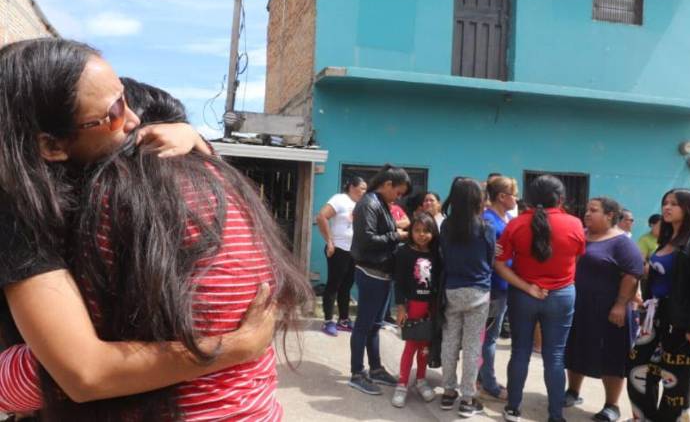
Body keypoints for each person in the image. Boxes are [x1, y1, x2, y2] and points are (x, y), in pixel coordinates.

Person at [0, 40, 309, 419]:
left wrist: (190, 136)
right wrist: (233, 345)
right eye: (113, 112)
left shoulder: (122, 211)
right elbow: (83, 371)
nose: (134, 124)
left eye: (126, 99)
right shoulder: (24, 216)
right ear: (51, 146)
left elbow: (39, 380)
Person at [494, 174, 585, 422]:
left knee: (520, 351)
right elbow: (575, 258)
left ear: (530, 198)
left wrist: (528, 286)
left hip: (524, 295)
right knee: (555, 356)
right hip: (562, 295)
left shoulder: (515, 225)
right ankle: (556, 416)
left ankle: (513, 408)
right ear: (561, 198)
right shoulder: (575, 224)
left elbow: (500, 264)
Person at [626, 189, 690, 422]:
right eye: (665, 203)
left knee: (674, 381)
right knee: (639, 371)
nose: (667, 207)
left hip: (681, 323)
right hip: (654, 318)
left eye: (674, 204)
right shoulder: (668, 239)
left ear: (689, 208)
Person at [564, 197, 643, 422]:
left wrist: (620, 304)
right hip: (580, 307)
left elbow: (632, 274)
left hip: (611, 311)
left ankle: (611, 405)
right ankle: (573, 391)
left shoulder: (622, 242)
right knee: (576, 349)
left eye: (593, 210)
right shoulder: (583, 237)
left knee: (612, 356)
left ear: (609, 215)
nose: (587, 214)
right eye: (587, 209)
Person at [348, 164, 411, 395]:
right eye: (398, 192)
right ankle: (357, 373)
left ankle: (376, 369)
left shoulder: (382, 203)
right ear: (387, 185)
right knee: (364, 326)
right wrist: (398, 235)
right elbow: (367, 239)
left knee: (375, 326)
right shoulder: (369, 203)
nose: (399, 197)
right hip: (370, 272)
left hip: (383, 273)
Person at [438, 177, 495, 418]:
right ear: (476, 199)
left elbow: (442, 254)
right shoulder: (486, 227)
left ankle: (448, 392)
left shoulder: (446, 226)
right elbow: (490, 258)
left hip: (452, 289)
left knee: (450, 341)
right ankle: (467, 398)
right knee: (473, 346)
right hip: (478, 291)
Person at [391, 212, 440, 407]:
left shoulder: (436, 254)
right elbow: (399, 282)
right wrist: (401, 307)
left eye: (426, 231)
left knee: (425, 347)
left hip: (431, 306)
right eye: (417, 230)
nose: (422, 235)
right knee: (411, 345)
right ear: (410, 232)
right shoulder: (404, 252)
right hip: (413, 305)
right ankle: (402, 384)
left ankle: (421, 380)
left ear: (433, 233)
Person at [478, 175, 518, 401]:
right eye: (514, 195)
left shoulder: (501, 218)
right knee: (488, 338)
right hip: (494, 287)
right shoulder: (489, 221)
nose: (516, 199)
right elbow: (487, 254)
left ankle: (483, 377)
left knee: (489, 336)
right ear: (502, 197)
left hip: (502, 286)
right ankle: (488, 382)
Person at [316, 176, 368, 336]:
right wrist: (330, 242)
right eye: (362, 188)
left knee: (346, 286)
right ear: (352, 187)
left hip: (354, 252)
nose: (364, 192)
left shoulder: (360, 204)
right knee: (334, 285)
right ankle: (328, 321)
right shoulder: (340, 199)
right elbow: (321, 217)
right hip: (338, 249)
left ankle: (343, 320)